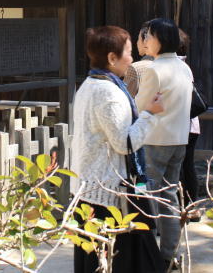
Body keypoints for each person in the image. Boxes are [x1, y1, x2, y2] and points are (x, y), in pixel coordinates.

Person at [71, 26, 165, 273]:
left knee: (94, 259)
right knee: (116, 260)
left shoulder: (90, 84)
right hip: (108, 192)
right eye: (128, 53)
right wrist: (150, 115)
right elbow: (125, 144)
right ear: (112, 58)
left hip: (89, 186)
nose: (132, 59)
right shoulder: (108, 92)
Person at [135, 18, 194, 266]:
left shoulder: (154, 70)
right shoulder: (184, 67)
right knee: (169, 196)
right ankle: (170, 253)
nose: (146, 40)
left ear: (160, 39)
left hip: (154, 139)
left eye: (149, 36)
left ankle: (148, 253)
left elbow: (139, 106)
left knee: (147, 196)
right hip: (178, 139)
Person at [176, 29, 201, 216]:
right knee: (187, 167)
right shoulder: (183, 65)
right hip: (190, 124)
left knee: (184, 168)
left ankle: (189, 207)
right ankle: (191, 207)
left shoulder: (177, 66)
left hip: (183, 124)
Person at [125, 21, 153, 97]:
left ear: (146, 41)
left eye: (138, 39)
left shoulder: (135, 68)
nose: (137, 43)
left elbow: (126, 98)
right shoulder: (177, 64)